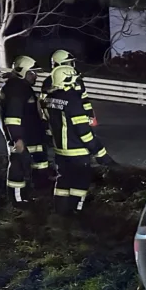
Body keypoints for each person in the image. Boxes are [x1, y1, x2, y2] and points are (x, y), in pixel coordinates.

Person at [43, 65, 115, 215]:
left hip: (60, 151)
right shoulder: (73, 100)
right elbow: (83, 131)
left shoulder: (49, 98)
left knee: (63, 181)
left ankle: (60, 213)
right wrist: (100, 153)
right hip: (77, 151)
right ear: (67, 80)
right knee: (80, 182)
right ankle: (76, 212)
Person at [0, 55, 50, 206]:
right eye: (32, 73)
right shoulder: (16, 90)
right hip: (22, 137)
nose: (35, 76)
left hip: (30, 135)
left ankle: (39, 189)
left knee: (37, 161)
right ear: (23, 72)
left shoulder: (21, 87)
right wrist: (17, 139)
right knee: (18, 166)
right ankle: (17, 200)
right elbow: (12, 117)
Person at [41, 50, 96, 126]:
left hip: (78, 118)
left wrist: (90, 115)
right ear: (57, 65)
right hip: (60, 120)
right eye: (66, 64)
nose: (70, 67)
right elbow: (44, 104)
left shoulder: (78, 80)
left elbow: (85, 100)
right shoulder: (48, 82)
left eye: (71, 63)